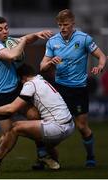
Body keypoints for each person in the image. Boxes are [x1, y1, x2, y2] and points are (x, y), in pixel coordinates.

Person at [0, 16, 54, 169]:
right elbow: (12, 55)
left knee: (35, 116)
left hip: (15, 91)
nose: (4, 31)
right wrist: (23, 41)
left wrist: (37, 34)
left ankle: (42, 155)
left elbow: (26, 38)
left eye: (6, 28)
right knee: (8, 135)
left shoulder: (8, 41)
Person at [0, 63, 75, 173]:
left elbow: (12, 108)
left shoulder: (30, 84)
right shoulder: (41, 80)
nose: (20, 83)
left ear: (23, 77)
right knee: (36, 122)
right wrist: (1, 115)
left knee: (15, 127)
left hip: (58, 127)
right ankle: (48, 159)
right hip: (69, 125)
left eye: (20, 80)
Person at [40, 9, 106, 168]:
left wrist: (100, 67)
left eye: (66, 24)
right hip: (60, 89)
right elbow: (42, 66)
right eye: (60, 25)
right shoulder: (52, 42)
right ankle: (45, 157)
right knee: (50, 125)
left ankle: (90, 156)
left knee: (82, 127)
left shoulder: (84, 39)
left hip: (78, 90)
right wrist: (50, 63)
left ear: (73, 24)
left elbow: (102, 56)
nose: (62, 28)